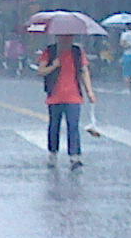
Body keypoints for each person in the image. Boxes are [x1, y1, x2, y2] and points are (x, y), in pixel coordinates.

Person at [36, 32, 95, 169]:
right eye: (63, 36)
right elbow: (41, 71)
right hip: (54, 96)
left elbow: (84, 71)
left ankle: (74, 157)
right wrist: (54, 65)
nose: (66, 39)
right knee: (54, 126)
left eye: (69, 36)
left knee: (73, 126)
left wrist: (89, 91)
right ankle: (52, 154)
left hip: (73, 96)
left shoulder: (77, 52)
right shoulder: (50, 51)